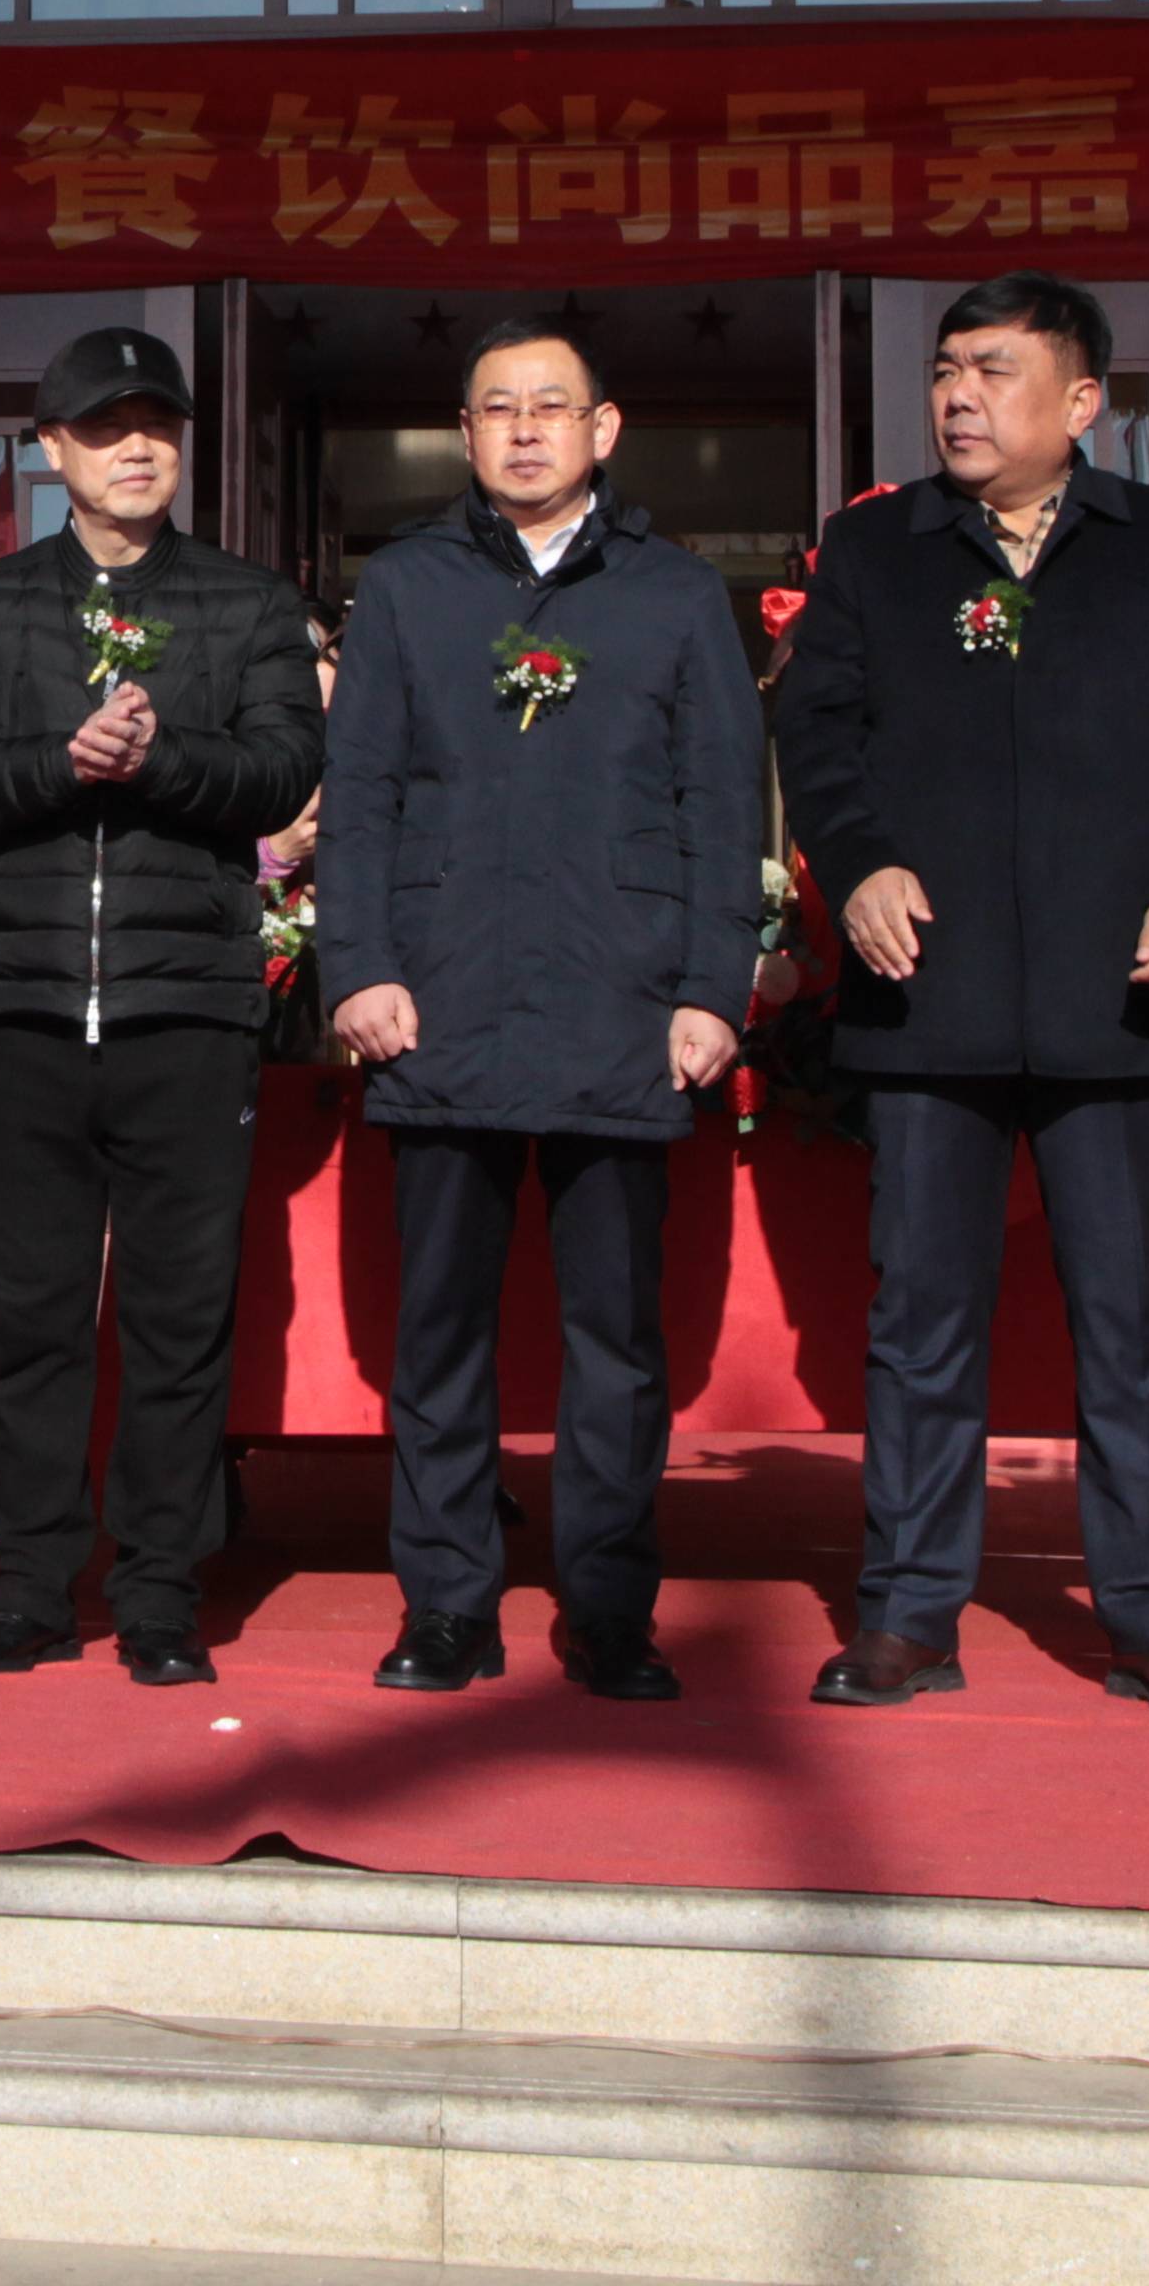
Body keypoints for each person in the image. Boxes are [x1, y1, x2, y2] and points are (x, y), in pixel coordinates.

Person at [777, 271, 1149, 1720]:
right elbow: (819, 730)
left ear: (1081, 399)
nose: (959, 397)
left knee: (1130, 1323)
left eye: (994, 371)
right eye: (947, 371)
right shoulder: (877, 548)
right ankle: (908, 1612)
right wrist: (857, 863)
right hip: (929, 987)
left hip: (1119, 992)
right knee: (920, 1322)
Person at [316, 319, 766, 1702]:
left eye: (551, 407)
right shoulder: (407, 586)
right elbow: (361, 796)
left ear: (603, 429)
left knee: (615, 1341)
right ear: (463, 434)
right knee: (438, 1331)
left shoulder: (674, 595)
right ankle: (447, 1603)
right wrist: (359, 967)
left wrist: (712, 988)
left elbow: (722, 804)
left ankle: (610, 1608)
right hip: (440, 997)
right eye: (498, 408)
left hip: (619, 1003)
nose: (525, 430)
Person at [0, 323, 323, 1685]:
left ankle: (158, 1592)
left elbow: (281, 770)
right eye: (104, 426)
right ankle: (30, 1585)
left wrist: (159, 758)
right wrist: (62, 762)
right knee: (27, 1322)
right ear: (54, 448)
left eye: (156, 425)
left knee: (179, 1320)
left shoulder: (249, 604)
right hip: (26, 1011)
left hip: (187, 1011)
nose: (135, 448)